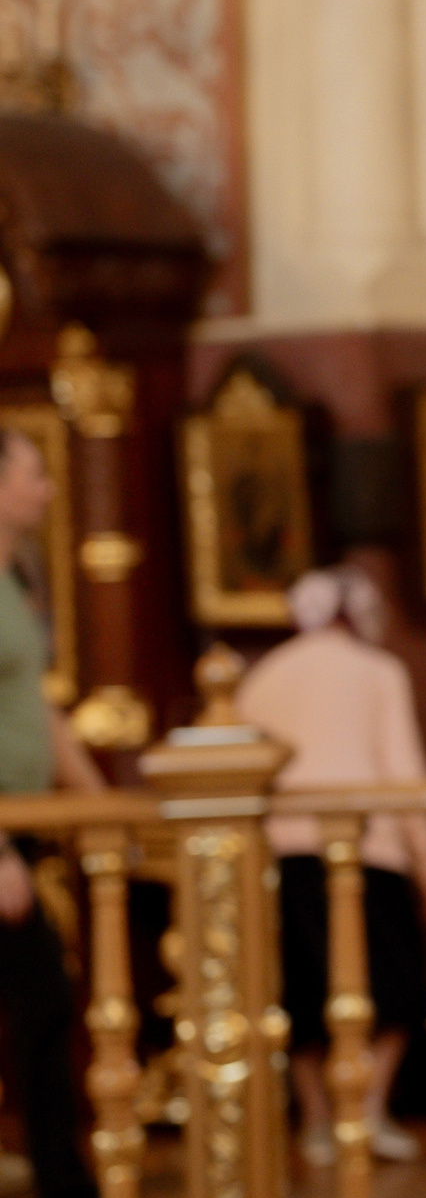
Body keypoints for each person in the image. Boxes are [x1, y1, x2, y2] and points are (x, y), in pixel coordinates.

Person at [234, 565, 426, 1169]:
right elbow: (403, 769)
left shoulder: (263, 675)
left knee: (306, 992)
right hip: (370, 850)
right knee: (395, 989)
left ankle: (318, 1123)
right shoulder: (379, 672)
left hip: (285, 855)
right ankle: (369, 1110)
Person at [0, 425, 104, 1198]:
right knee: (42, 995)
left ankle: (62, 1177)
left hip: (22, 828)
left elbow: (36, 708)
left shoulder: (17, 579)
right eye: (34, 473)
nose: (47, 487)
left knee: (43, 1000)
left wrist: (103, 804)